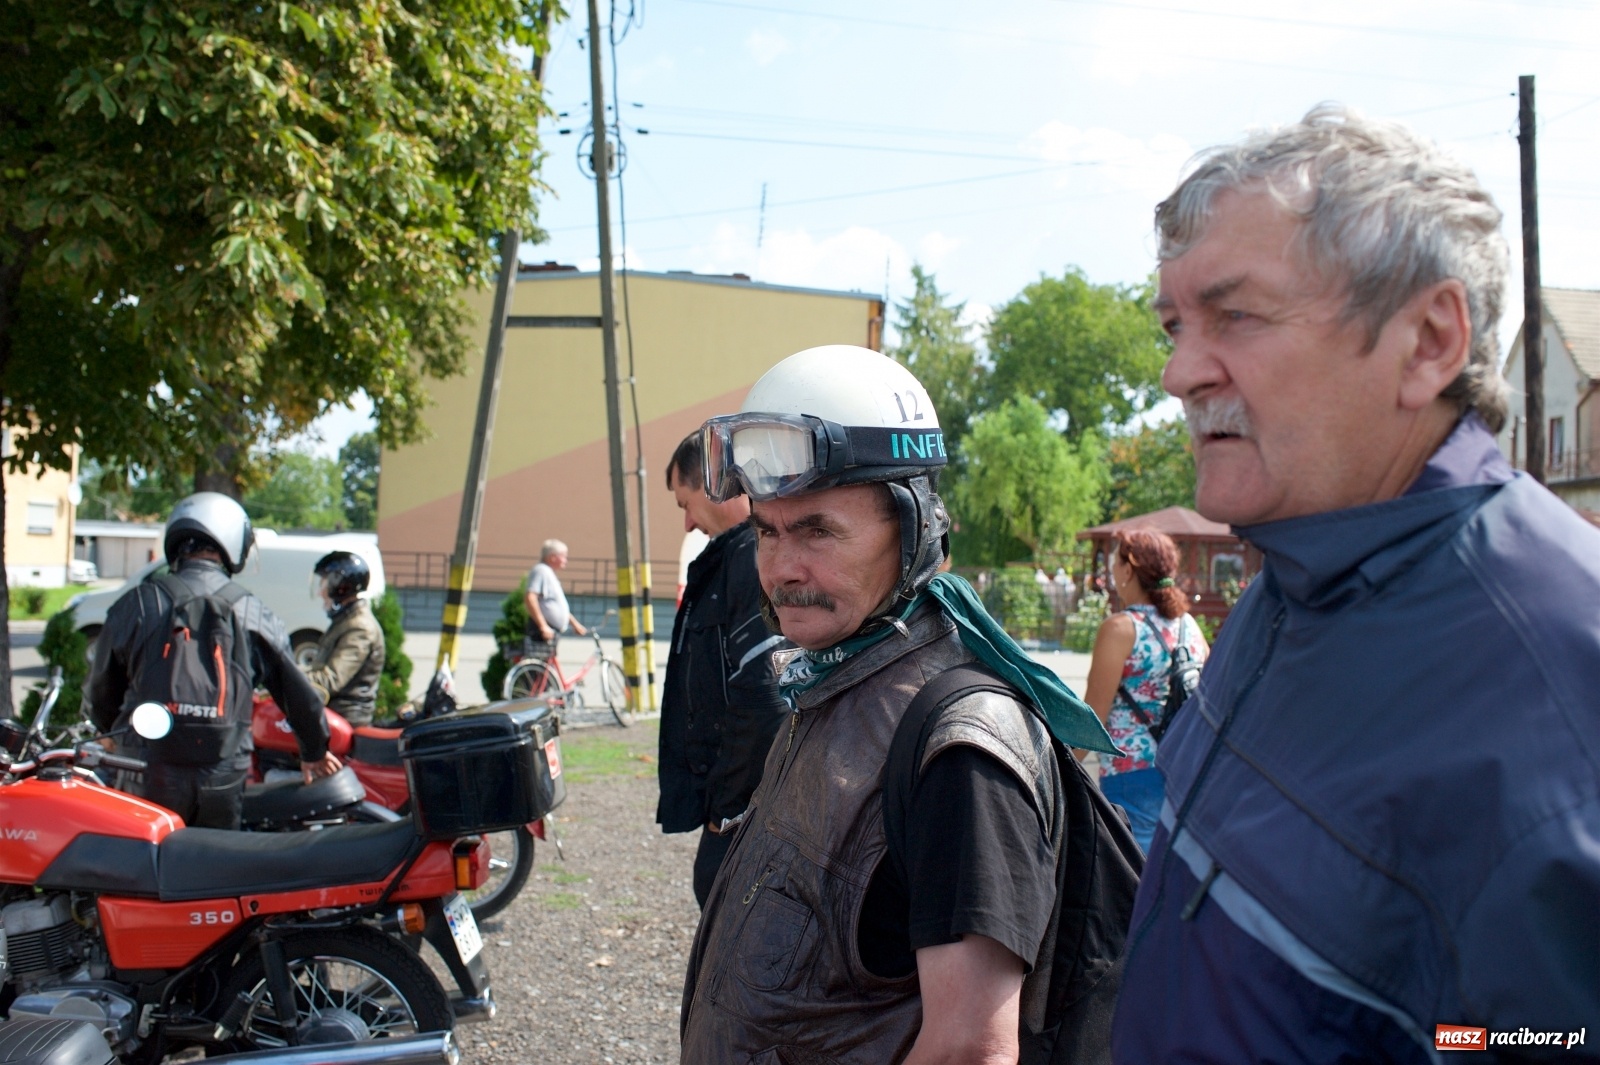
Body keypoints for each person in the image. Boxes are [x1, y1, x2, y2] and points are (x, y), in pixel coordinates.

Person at [1112, 105, 1600, 1061]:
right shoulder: (1287, 582)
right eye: (1175, 324)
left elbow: (1533, 1039)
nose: (1176, 370)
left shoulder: (1562, 689)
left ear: (1427, 341)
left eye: (1235, 316)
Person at [680, 346, 1127, 1064]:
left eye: (819, 530)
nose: (783, 567)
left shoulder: (961, 751)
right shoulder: (835, 680)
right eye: (768, 530)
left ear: (914, 526)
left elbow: (970, 1049)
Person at [86, 492, 339, 829]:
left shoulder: (139, 603)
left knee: (143, 872)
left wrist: (108, 731)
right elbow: (297, 693)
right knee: (213, 873)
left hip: (146, 770)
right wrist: (313, 752)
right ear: (232, 542)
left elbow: (100, 687)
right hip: (221, 775)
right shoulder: (251, 610)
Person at [658, 430, 789, 908]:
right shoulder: (735, 555)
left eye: (686, 503)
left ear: (715, 486)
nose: (689, 523)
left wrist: (729, 814)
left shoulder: (752, 558)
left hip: (743, 819)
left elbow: (765, 693)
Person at [1081, 530, 1207, 852]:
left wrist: (1056, 766)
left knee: (1131, 878)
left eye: (1115, 564)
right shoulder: (1189, 627)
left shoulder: (1121, 629)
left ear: (1128, 568)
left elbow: (1092, 717)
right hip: (1184, 768)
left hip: (1130, 774)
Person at [302, 550, 385, 727]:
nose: (320, 592)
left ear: (339, 585)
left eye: (324, 583)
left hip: (346, 718)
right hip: (333, 712)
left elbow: (331, 679)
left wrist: (287, 674)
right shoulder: (346, 620)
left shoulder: (359, 627)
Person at [524, 539, 586, 661]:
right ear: (552, 557)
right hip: (543, 630)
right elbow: (530, 597)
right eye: (564, 557)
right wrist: (543, 626)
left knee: (547, 670)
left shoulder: (548, 573)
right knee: (539, 671)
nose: (566, 561)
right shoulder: (541, 570)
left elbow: (554, 604)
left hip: (551, 630)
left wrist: (575, 624)